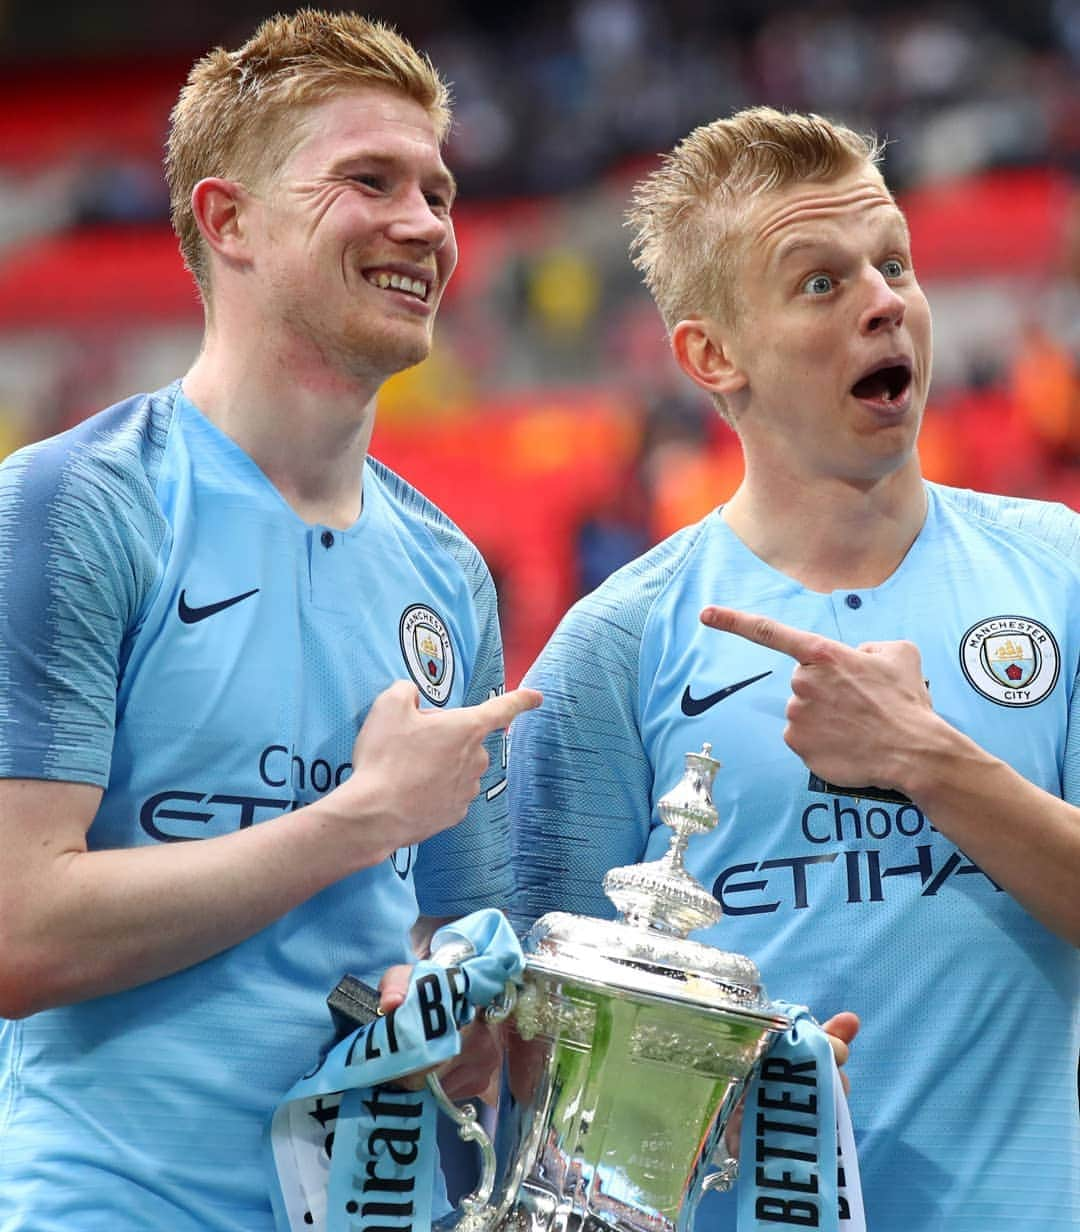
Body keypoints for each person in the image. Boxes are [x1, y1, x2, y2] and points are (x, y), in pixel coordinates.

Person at [0, 11, 540, 1231]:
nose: (427, 225)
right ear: (228, 219)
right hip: (112, 1203)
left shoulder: (450, 570)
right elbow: (18, 931)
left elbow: (466, 957)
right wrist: (358, 819)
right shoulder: (77, 503)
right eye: (371, 180)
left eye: (441, 192)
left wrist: (465, 1018)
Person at [509, 106, 1079, 1230]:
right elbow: (537, 1056)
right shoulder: (613, 643)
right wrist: (704, 1101)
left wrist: (927, 759)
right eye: (820, 283)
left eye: (894, 263)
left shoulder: (1059, 573)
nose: (886, 300)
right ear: (712, 354)